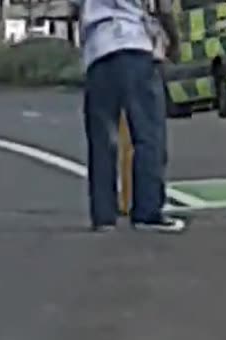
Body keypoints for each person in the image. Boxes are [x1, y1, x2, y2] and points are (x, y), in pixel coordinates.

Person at [71, 0, 185, 232]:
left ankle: (103, 216)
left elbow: (74, 8)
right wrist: (173, 40)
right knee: (148, 134)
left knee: (102, 138)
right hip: (134, 43)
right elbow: (163, 6)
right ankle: (147, 210)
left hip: (98, 51)